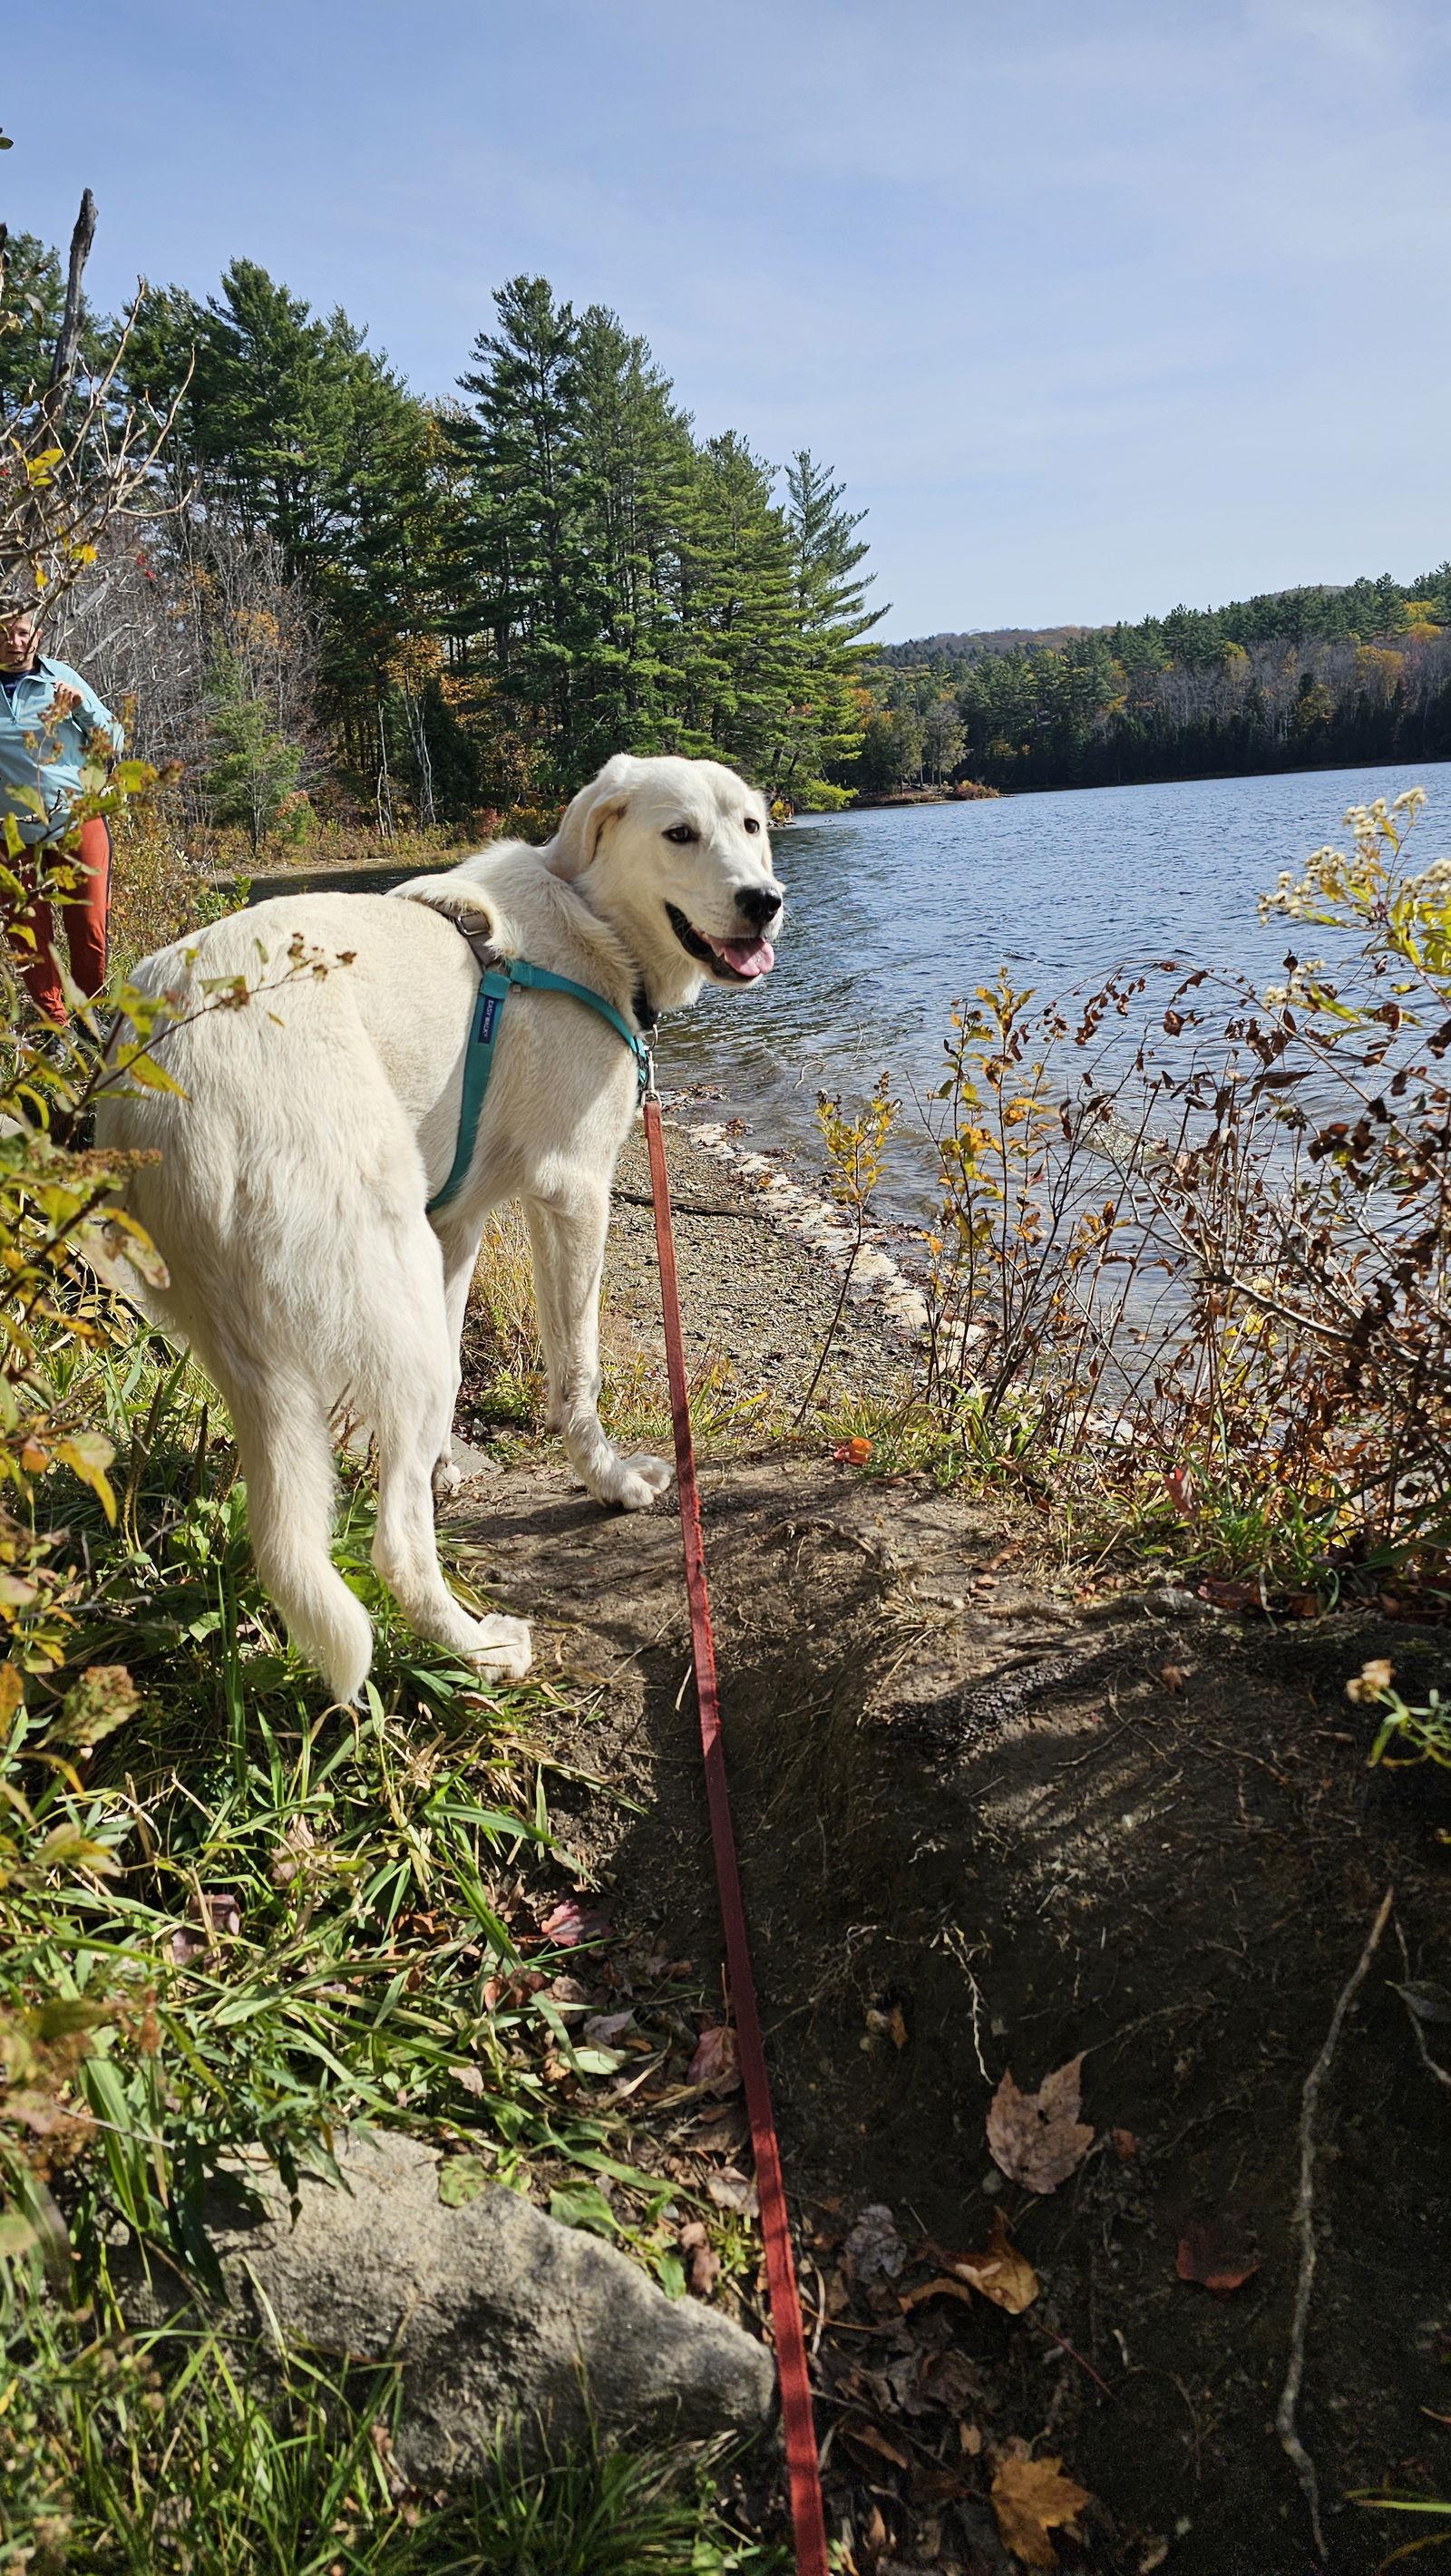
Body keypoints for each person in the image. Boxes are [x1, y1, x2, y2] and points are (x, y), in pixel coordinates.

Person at [0, 607, 122, 1022]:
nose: (13, 642)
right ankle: (55, 1026)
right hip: (9, 834)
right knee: (27, 936)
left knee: (87, 927)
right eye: (4, 633)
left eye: (21, 632)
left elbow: (114, 741)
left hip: (75, 820)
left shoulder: (62, 679)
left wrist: (82, 709)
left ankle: (92, 1019)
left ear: (37, 635)